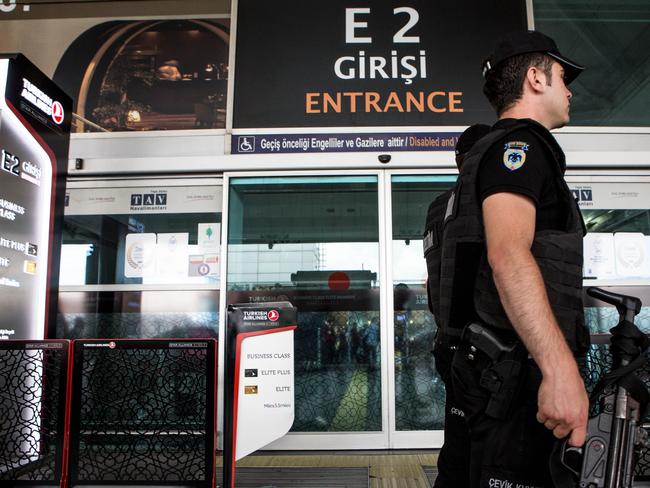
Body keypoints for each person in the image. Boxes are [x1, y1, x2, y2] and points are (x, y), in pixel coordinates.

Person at [433, 30, 591, 487]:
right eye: (564, 77)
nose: (570, 90)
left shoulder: (486, 157)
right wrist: (560, 371)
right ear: (537, 78)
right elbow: (508, 255)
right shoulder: (518, 148)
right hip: (513, 381)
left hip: (486, 377)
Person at [424, 123, 491, 488]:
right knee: (490, 453)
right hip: (482, 349)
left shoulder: (439, 205)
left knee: (458, 445)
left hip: (450, 344)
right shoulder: (487, 198)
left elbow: (434, 280)